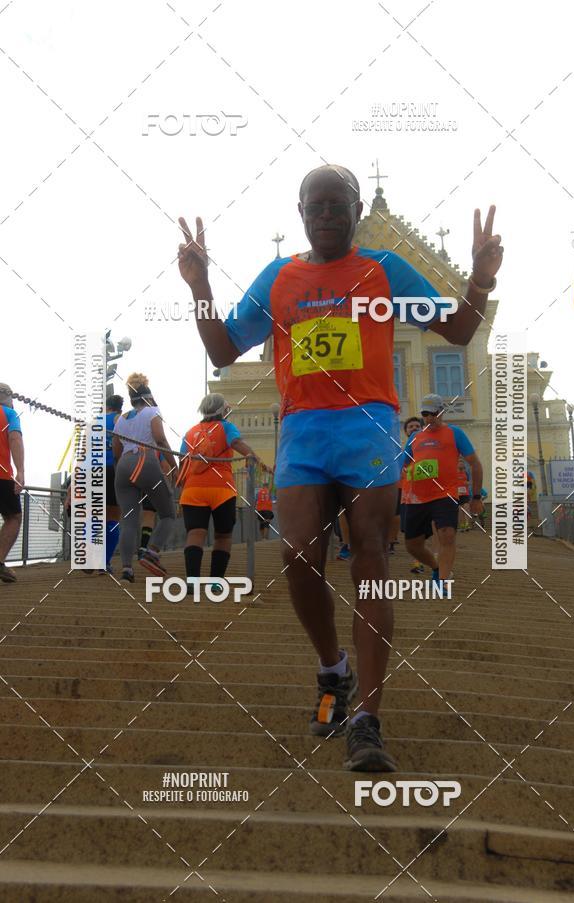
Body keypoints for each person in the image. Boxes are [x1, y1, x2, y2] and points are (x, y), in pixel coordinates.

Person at [177, 164, 502, 771]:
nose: (327, 215)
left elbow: (458, 330)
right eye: (316, 206)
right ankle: (334, 669)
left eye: (338, 205)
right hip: (303, 431)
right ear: (301, 212)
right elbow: (223, 348)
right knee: (299, 554)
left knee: (373, 557)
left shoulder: (383, 270)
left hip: (369, 428)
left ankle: (368, 720)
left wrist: (479, 280)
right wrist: (199, 286)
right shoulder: (278, 278)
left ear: (355, 210)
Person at [400, 394, 484, 597]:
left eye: (433, 413)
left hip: (445, 494)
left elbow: (475, 463)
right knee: (412, 545)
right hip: (416, 498)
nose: (429, 418)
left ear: (442, 412)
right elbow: (402, 465)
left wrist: (476, 497)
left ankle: (443, 583)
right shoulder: (415, 437)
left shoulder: (455, 433)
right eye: (425, 414)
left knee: (447, 535)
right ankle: (437, 568)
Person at [178, 393, 260, 596]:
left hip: (193, 489)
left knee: (195, 533)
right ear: (223, 410)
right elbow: (236, 443)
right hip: (221, 489)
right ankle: (215, 582)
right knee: (223, 535)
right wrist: (253, 456)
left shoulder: (190, 432)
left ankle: (193, 581)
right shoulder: (226, 427)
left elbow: (182, 461)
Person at [112, 374, 177, 583]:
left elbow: (116, 449)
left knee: (129, 521)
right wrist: (175, 466)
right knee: (168, 513)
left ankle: (126, 570)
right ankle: (152, 552)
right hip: (144, 460)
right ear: (148, 396)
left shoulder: (121, 418)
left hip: (123, 465)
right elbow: (160, 439)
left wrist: (122, 466)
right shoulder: (152, 411)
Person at [0, 384, 24, 583]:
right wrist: (21, 471)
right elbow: (14, 438)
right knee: (13, 517)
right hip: (2, 475)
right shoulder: (8, 413)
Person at [397, 416, 425, 572]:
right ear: (406, 431)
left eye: (417, 426)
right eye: (410, 427)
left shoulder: (428, 446)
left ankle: (433, 559)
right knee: (412, 531)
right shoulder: (402, 451)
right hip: (407, 495)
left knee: (433, 529)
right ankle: (417, 560)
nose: (414, 428)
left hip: (428, 494)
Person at [105, 394, 123, 573]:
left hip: (91, 469)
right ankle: (105, 561)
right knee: (113, 517)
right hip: (112, 468)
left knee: (94, 515)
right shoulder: (121, 420)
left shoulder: (93, 421)